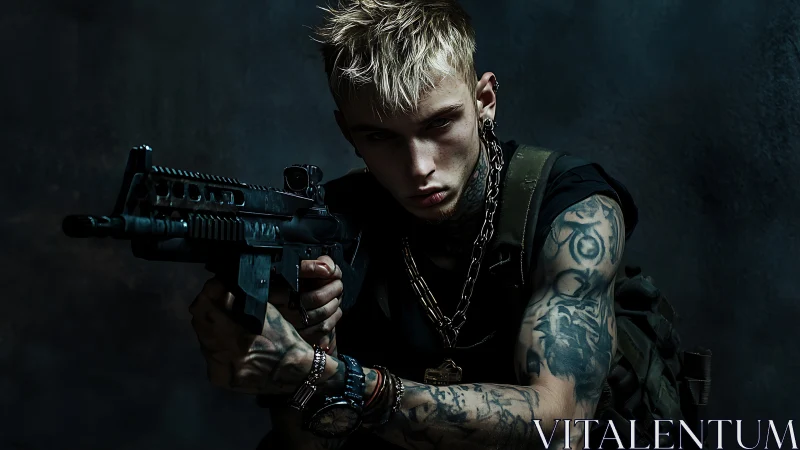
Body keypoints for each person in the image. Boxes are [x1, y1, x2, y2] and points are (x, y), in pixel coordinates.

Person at [187, 1, 640, 448]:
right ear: (348, 133)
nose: (419, 167)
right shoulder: (333, 222)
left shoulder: (573, 210)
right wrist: (307, 347)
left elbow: (560, 427)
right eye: (380, 137)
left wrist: (332, 376)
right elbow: (309, 445)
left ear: (484, 101)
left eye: (440, 124)